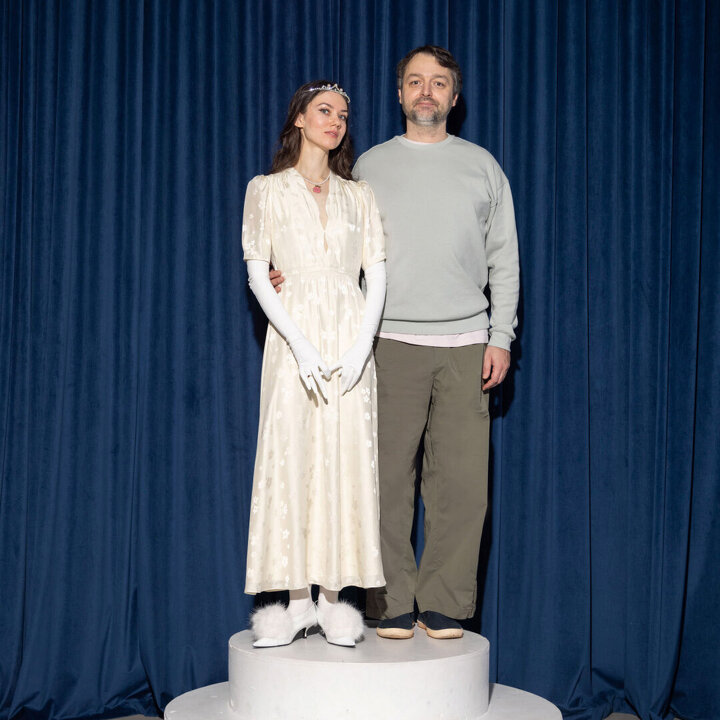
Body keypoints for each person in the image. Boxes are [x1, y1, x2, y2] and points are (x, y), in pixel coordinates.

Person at [354, 46, 519, 640]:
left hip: (467, 345)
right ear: (399, 93)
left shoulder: (482, 167)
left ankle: (445, 601)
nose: (427, 91)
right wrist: (287, 277)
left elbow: (504, 259)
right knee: (384, 482)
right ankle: (389, 601)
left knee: (462, 485)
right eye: (416, 81)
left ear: (454, 95)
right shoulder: (369, 167)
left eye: (439, 82)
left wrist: (501, 336)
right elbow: (338, 249)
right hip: (386, 343)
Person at [241, 81, 387, 648]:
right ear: (299, 119)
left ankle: (332, 600)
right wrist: (299, 345)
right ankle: (296, 601)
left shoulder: (359, 195)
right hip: (292, 340)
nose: (335, 121)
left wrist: (361, 345)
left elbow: (376, 272)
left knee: (344, 460)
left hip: (350, 342)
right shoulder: (266, 190)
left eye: (343, 115)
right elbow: (259, 273)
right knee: (292, 457)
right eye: (324, 111)